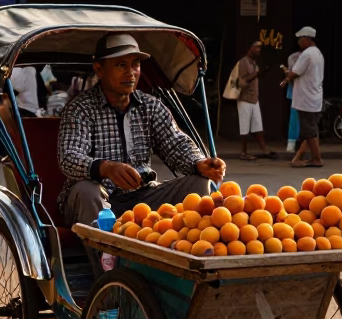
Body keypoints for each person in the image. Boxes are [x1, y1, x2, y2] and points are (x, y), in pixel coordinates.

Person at [58, 32, 225, 227]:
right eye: (121, 65)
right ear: (99, 69)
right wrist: (105, 168)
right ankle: (107, 256)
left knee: (198, 183)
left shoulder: (150, 106)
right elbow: (69, 157)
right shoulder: (81, 108)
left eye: (135, 64)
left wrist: (199, 163)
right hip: (96, 201)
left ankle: (185, 248)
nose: (131, 73)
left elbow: (176, 143)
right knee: (87, 190)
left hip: (143, 198)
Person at [285, 27, 324, 168]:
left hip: (306, 98)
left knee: (309, 131)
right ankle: (300, 157)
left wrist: (288, 74)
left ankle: (317, 159)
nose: (299, 43)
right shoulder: (318, 53)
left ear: (307, 39)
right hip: (314, 97)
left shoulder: (306, 54)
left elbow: (294, 73)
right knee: (311, 130)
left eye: (301, 40)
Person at [235, 41, 275, 161]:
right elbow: (241, 81)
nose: (258, 50)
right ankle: (244, 153)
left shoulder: (253, 62)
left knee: (258, 126)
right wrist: (256, 73)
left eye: (259, 48)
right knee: (244, 128)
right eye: (256, 48)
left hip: (254, 99)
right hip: (245, 99)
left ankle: (264, 150)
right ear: (250, 48)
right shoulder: (243, 62)